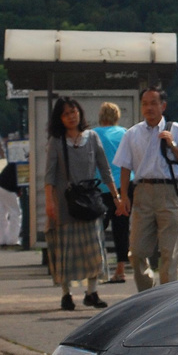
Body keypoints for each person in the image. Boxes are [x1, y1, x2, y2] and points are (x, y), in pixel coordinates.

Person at [44, 97, 120, 311]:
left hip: (90, 200)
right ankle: (66, 293)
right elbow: (49, 176)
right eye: (66, 113)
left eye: (74, 111)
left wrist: (116, 196)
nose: (71, 116)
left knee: (94, 247)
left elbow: (105, 169)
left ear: (80, 113)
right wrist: (49, 201)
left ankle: (91, 292)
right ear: (60, 118)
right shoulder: (56, 141)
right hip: (65, 203)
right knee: (66, 249)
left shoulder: (93, 137)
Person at [114, 87, 178, 291]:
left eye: (153, 103)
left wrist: (172, 144)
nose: (149, 108)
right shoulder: (132, 133)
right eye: (145, 103)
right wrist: (123, 197)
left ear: (163, 106)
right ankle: (148, 292)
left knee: (169, 251)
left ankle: (166, 297)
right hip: (142, 191)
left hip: (169, 191)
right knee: (137, 251)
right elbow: (125, 166)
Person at [92, 102, 130, 283]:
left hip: (101, 186)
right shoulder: (124, 133)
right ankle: (121, 269)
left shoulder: (93, 135)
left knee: (98, 228)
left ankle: (99, 267)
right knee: (121, 228)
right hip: (124, 186)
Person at [0, 159, 22, 247]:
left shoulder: (15, 162)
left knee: (2, 213)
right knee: (16, 212)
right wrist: (18, 190)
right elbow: (20, 180)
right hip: (8, 188)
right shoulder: (23, 164)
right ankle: (13, 240)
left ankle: (2, 240)